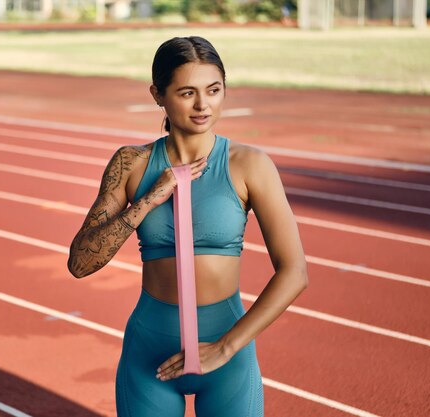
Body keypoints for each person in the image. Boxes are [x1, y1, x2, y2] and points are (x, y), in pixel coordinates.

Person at [67, 36, 308, 417]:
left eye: (213, 90)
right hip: (150, 353)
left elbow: (295, 272)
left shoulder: (249, 165)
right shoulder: (131, 164)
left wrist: (227, 347)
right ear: (158, 95)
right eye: (187, 92)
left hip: (226, 352)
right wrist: (147, 200)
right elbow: (80, 263)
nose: (203, 105)